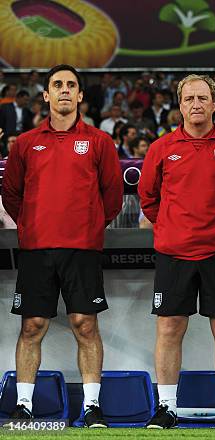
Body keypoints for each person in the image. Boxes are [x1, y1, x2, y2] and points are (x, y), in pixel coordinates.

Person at [139, 74, 215, 430]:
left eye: (202, 98)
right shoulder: (161, 148)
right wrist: (169, 227)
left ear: (214, 104)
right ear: (180, 105)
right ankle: (166, 408)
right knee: (169, 329)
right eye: (189, 98)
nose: (195, 104)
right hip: (174, 253)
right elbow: (148, 198)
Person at [1, 64, 123, 427]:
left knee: (85, 324)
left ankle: (91, 407)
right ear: (46, 95)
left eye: (71, 85)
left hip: (82, 248)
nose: (65, 90)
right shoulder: (25, 143)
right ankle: (23, 405)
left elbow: (112, 196)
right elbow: (12, 194)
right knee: (32, 325)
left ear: (81, 95)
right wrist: (35, 226)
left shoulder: (100, 142)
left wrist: (86, 226)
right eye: (58, 85)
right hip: (37, 248)